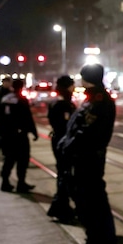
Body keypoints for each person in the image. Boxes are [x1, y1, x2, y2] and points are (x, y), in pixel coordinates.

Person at [59, 64, 119, 244]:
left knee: (97, 209)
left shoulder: (100, 101)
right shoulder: (91, 98)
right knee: (85, 208)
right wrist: (66, 142)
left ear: (87, 78)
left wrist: (68, 145)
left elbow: (88, 132)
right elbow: (77, 127)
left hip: (89, 162)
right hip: (80, 161)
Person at [46, 75, 77, 223]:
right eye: (72, 85)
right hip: (64, 141)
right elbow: (66, 125)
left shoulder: (56, 102)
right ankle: (61, 207)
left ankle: (61, 206)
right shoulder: (64, 104)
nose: (74, 87)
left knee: (63, 173)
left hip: (58, 139)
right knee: (65, 174)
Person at [0, 79, 38, 193]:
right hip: (20, 135)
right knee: (22, 160)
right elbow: (28, 117)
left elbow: (1, 116)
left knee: (9, 159)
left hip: (8, 135)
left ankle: (5, 182)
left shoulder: (5, 99)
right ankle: (21, 183)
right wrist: (33, 131)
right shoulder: (21, 100)